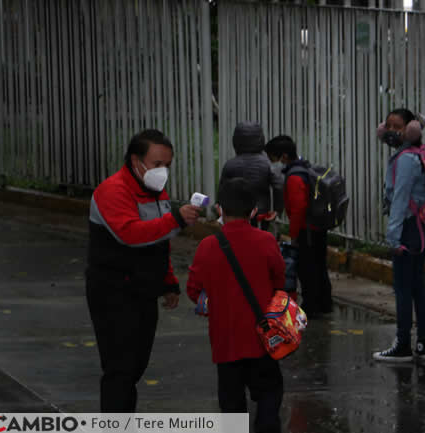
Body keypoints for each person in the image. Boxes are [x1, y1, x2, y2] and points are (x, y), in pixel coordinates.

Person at [85, 129, 199, 412]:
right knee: (120, 369)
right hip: (113, 291)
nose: (163, 172)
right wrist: (175, 219)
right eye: (157, 164)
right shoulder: (113, 191)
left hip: (144, 289)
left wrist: (169, 281)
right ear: (135, 161)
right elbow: (130, 234)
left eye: (167, 165)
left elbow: (159, 240)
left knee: (135, 366)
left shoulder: (157, 192)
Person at [187, 177, 285, 433]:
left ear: (219, 209)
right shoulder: (266, 241)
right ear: (254, 211)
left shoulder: (208, 246)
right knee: (269, 393)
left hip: (225, 341)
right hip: (263, 339)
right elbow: (280, 283)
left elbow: (193, 290)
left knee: (231, 406)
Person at [372, 108, 425, 363]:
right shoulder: (413, 154)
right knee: (418, 286)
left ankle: (403, 344)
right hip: (418, 227)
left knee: (403, 287)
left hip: (408, 229)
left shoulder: (406, 159)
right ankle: (422, 345)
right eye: (388, 126)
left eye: (397, 126)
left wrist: (393, 237)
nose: (391, 131)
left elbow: (400, 200)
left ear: (410, 130)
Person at [266, 136, 333, 318]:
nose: (274, 163)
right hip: (317, 227)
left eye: (274, 158)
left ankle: (311, 306)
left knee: (306, 269)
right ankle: (325, 304)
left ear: (284, 156)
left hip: (306, 230)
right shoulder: (304, 167)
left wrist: (294, 236)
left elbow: (298, 209)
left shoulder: (294, 177)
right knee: (319, 266)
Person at [219, 122, 282, 231]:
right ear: (261, 139)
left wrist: (219, 205)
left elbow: (222, 188)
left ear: (236, 141)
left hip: (236, 213)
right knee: (259, 239)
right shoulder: (267, 164)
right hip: (260, 213)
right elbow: (279, 186)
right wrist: (277, 209)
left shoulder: (230, 164)